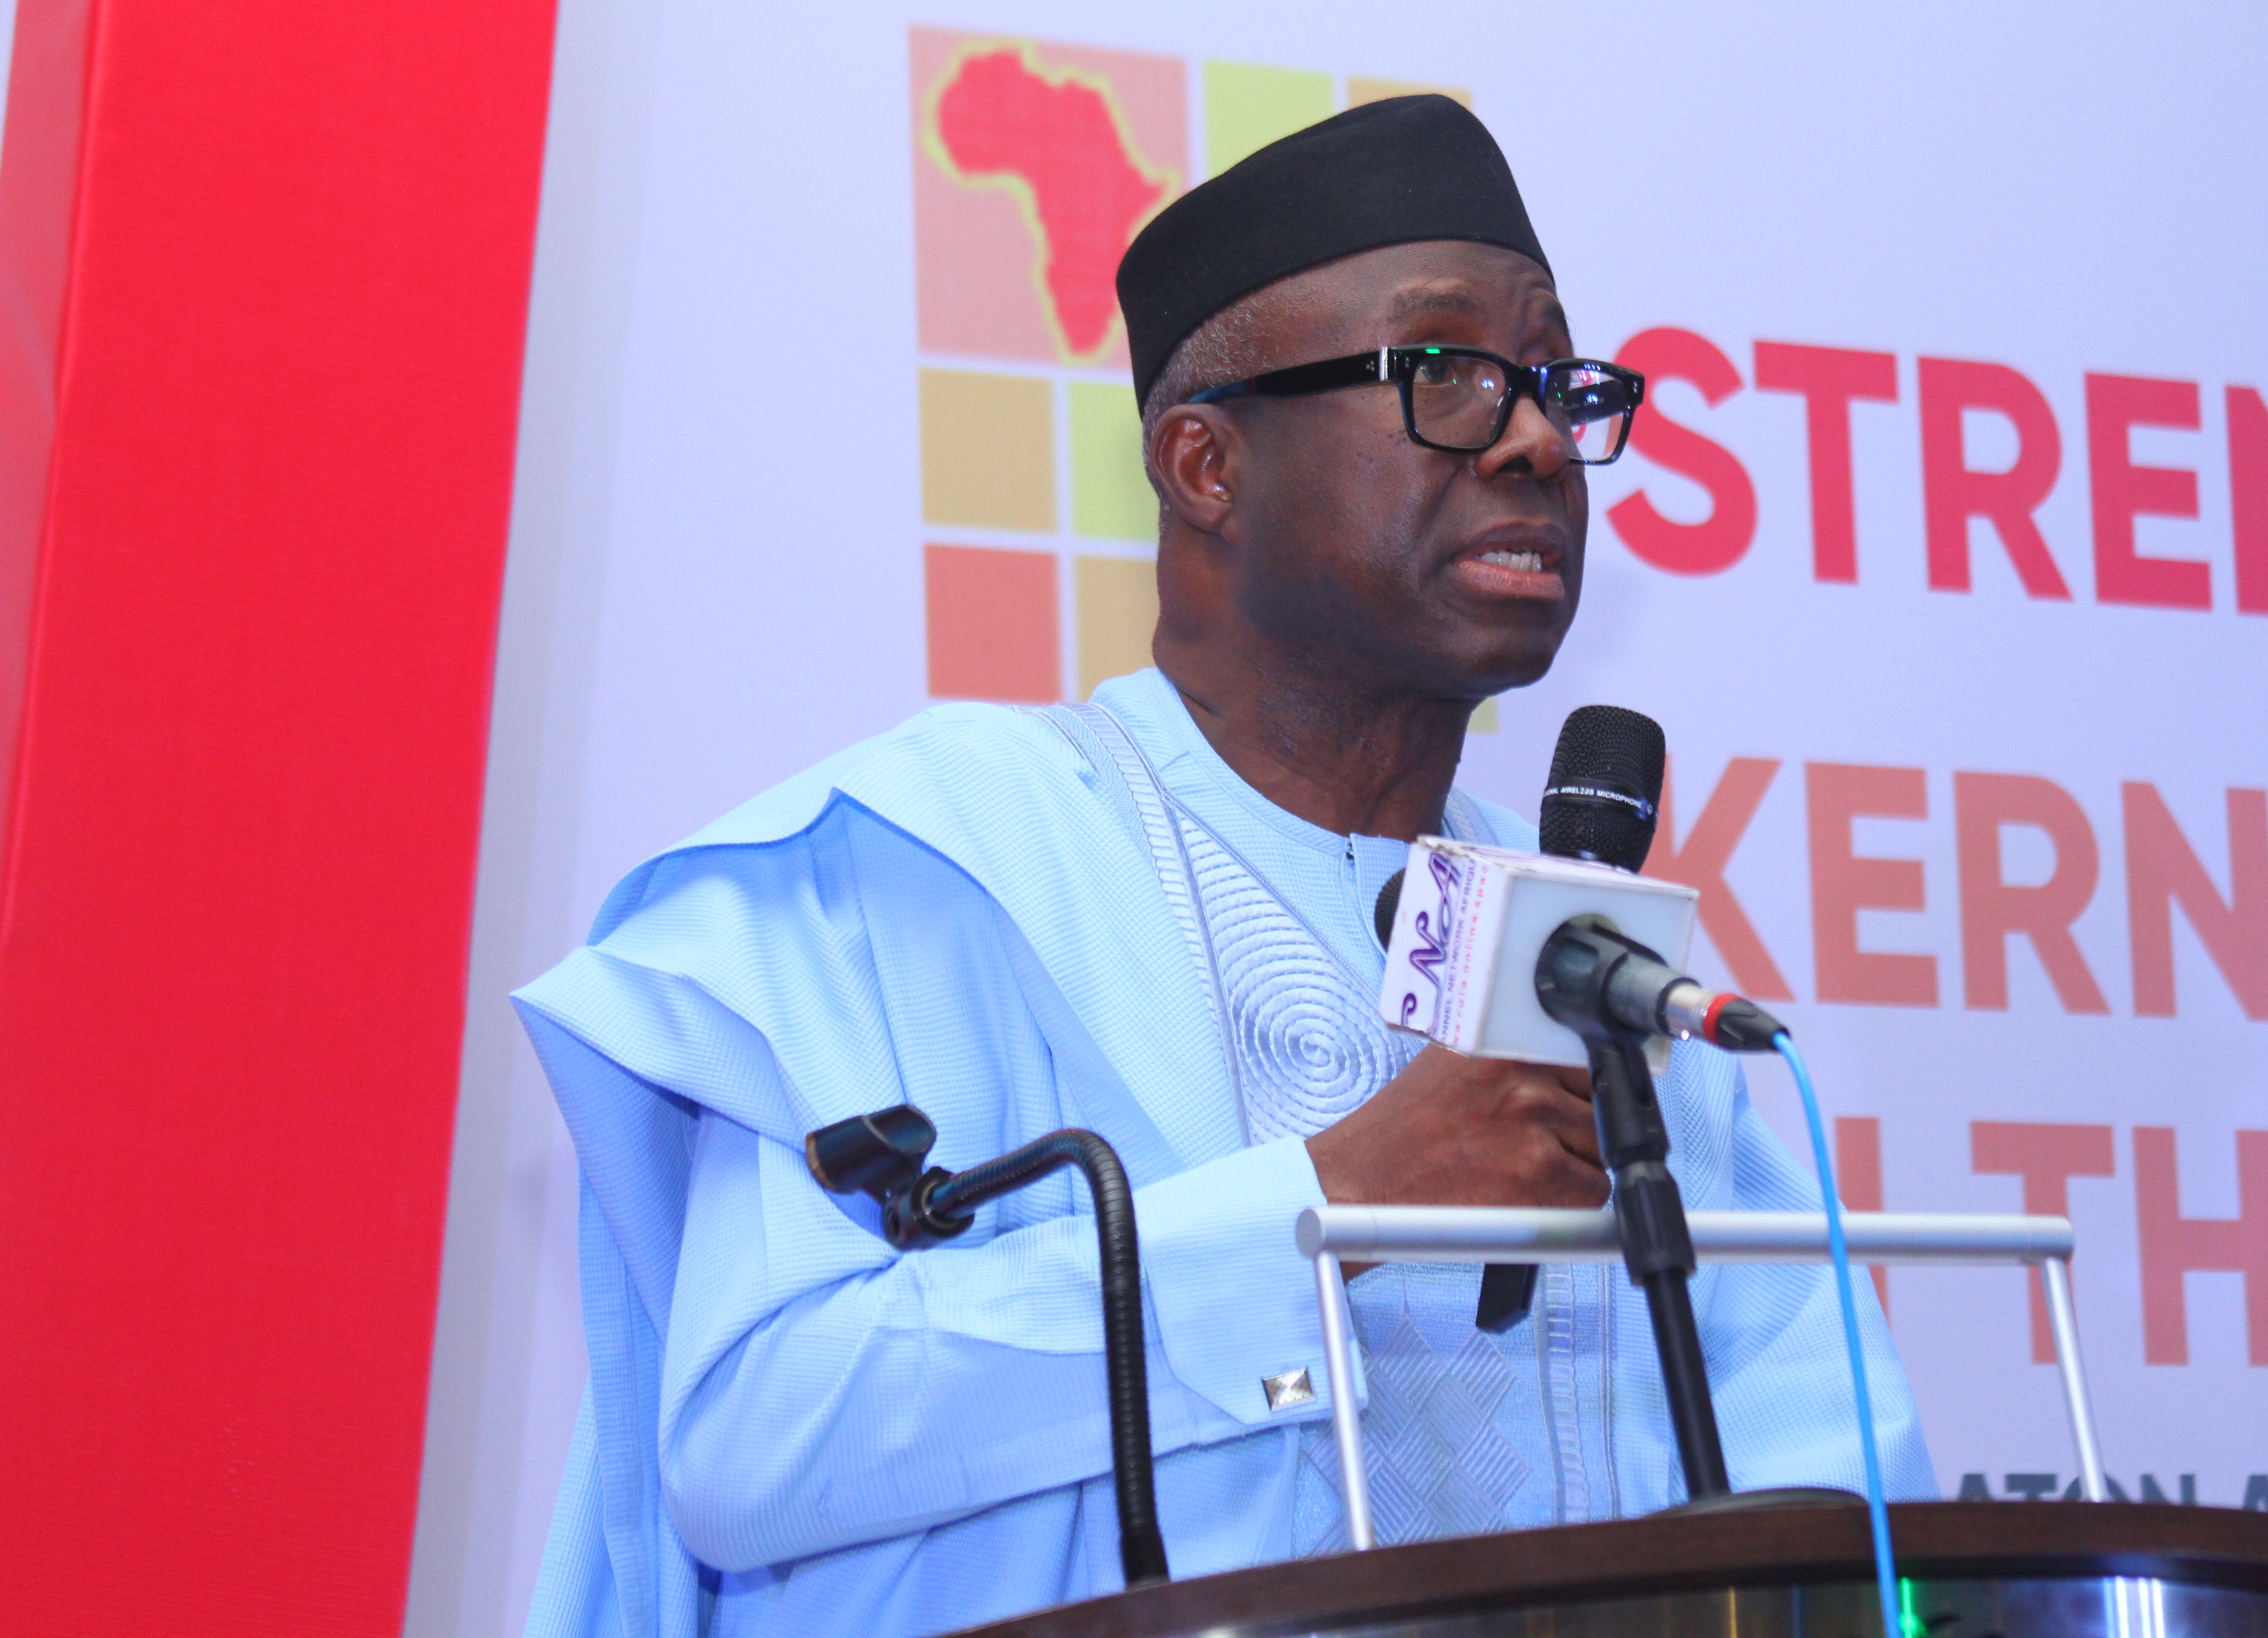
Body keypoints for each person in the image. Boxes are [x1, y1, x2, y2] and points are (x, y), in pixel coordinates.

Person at [517, 95, 1934, 1638]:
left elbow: (1836, 1492)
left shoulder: (1603, 963)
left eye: (1552, 384)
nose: (1535, 440)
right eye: (1447, 375)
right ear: (1206, 464)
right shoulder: (927, 860)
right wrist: (1335, 1201)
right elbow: (759, 1437)